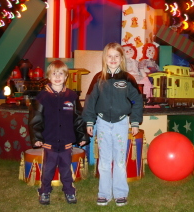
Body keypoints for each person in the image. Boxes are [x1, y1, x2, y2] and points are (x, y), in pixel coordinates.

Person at [83, 42, 143, 207]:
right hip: (102, 123)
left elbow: (137, 100)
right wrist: (90, 121)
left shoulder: (127, 78)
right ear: (105, 58)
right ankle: (104, 193)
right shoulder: (98, 78)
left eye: (117, 56)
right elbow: (90, 100)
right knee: (104, 160)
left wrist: (135, 121)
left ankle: (120, 193)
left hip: (121, 123)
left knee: (119, 160)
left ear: (122, 58)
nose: (113, 59)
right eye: (110, 56)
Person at [28, 60, 89, 205]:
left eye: (61, 74)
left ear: (66, 76)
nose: (57, 77)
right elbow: (35, 119)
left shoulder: (72, 96)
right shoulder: (42, 97)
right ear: (49, 76)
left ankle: (69, 191)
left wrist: (82, 136)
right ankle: (44, 191)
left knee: (66, 170)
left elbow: (78, 118)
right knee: (48, 170)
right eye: (54, 74)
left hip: (66, 142)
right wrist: (37, 137)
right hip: (49, 142)